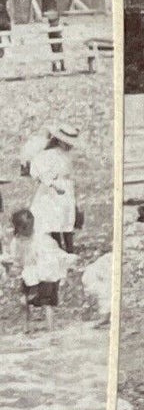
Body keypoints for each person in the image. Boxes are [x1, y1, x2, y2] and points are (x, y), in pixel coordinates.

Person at [7, 206, 72, 332]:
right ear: (17, 227)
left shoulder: (40, 238)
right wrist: (12, 266)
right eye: (24, 228)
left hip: (44, 274)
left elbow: (53, 251)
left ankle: (51, 330)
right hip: (29, 274)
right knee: (23, 301)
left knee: (47, 303)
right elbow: (16, 258)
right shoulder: (16, 242)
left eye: (31, 226)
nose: (28, 230)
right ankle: (26, 327)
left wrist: (64, 259)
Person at [28, 122, 79, 252]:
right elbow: (38, 172)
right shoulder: (48, 154)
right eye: (67, 142)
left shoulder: (65, 155)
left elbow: (67, 173)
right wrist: (53, 185)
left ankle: (69, 248)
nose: (70, 145)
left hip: (65, 189)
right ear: (60, 141)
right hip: (52, 191)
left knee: (67, 219)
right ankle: (58, 247)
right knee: (54, 219)